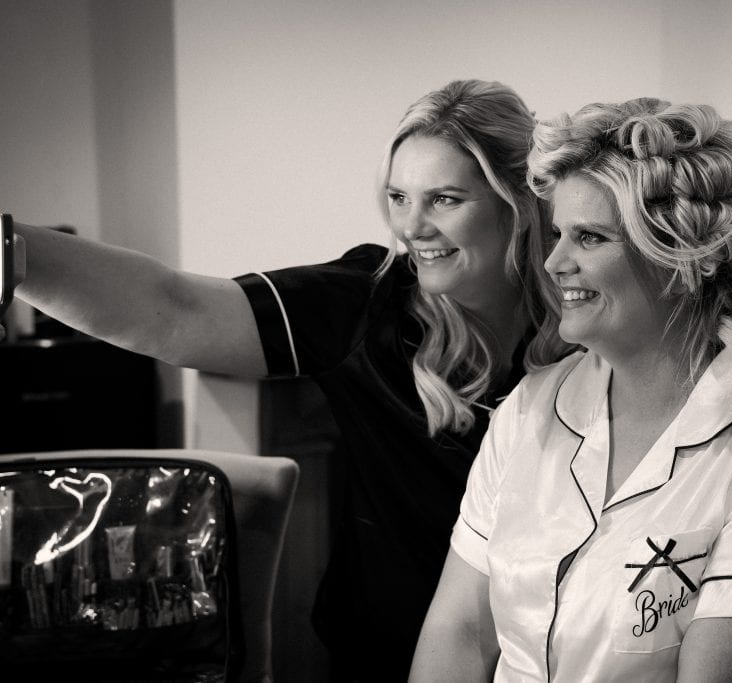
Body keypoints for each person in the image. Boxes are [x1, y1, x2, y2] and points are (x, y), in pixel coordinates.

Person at [10, 79, 572, 681]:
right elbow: (173, 308)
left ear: (517, 202)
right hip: (388, 656)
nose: (412, 226)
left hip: (559, 653)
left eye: (445, 200)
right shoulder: (370, 304)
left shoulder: (586, 323)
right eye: (398, 197)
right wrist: (11, 250)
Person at [410, 97, 732, 682]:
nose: (554, 262)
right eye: (558, 234)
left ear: (685, 258)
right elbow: (461, 633)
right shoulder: (530, 406)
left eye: (590, 238)